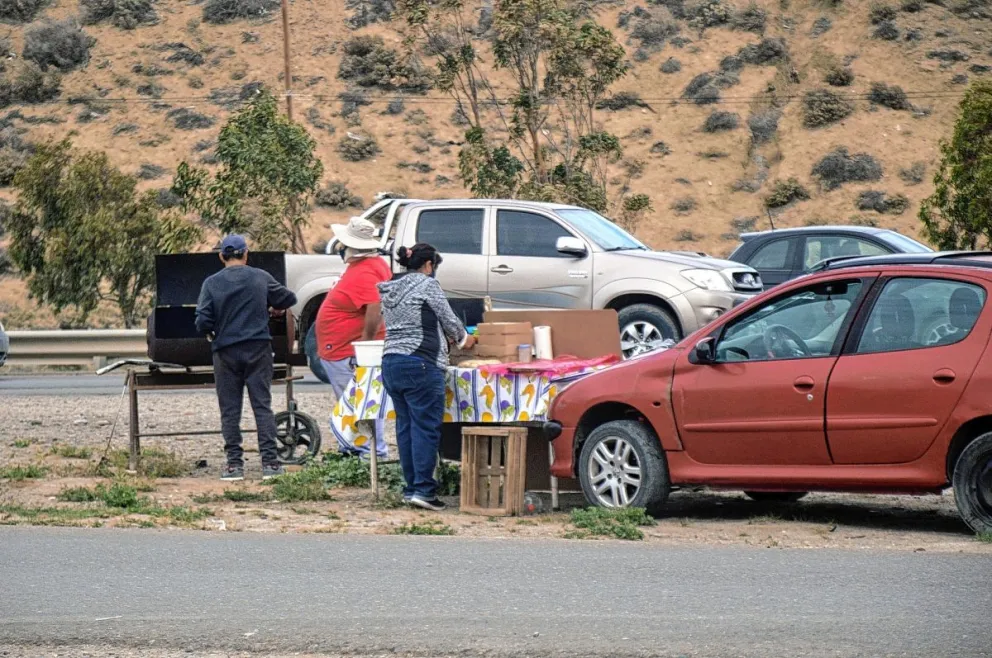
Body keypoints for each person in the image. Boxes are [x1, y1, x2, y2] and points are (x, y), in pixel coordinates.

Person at [378, 243, 477, 511]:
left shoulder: (389, 287)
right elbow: (449, 319)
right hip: (420, 363)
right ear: (429, 265)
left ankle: (411, 488)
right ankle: (424, 490)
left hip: (390, 362)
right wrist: (465, 339)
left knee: (406, 428)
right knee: (424, 428)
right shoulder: (426, 284)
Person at [195, 234, 298, 481]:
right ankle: (270, 463)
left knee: (230, 409)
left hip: (225, 352)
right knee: (262, 406)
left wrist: (212, 332)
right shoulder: (260, 277)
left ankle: (234, 465)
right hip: (259, 350)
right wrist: (274, 308)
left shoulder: (211, 283)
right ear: (246, 253)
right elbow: (289, 298)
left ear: (221, 256)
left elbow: (202, 321)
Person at [315, 216, 392, 457]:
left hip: (345, 349)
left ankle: (366, 451)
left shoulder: (364, 272)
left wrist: (365, 343)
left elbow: (374, 306)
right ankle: (362, 448)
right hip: (344, 346)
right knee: (362, 399)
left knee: (357, 401)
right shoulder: (372, 265)